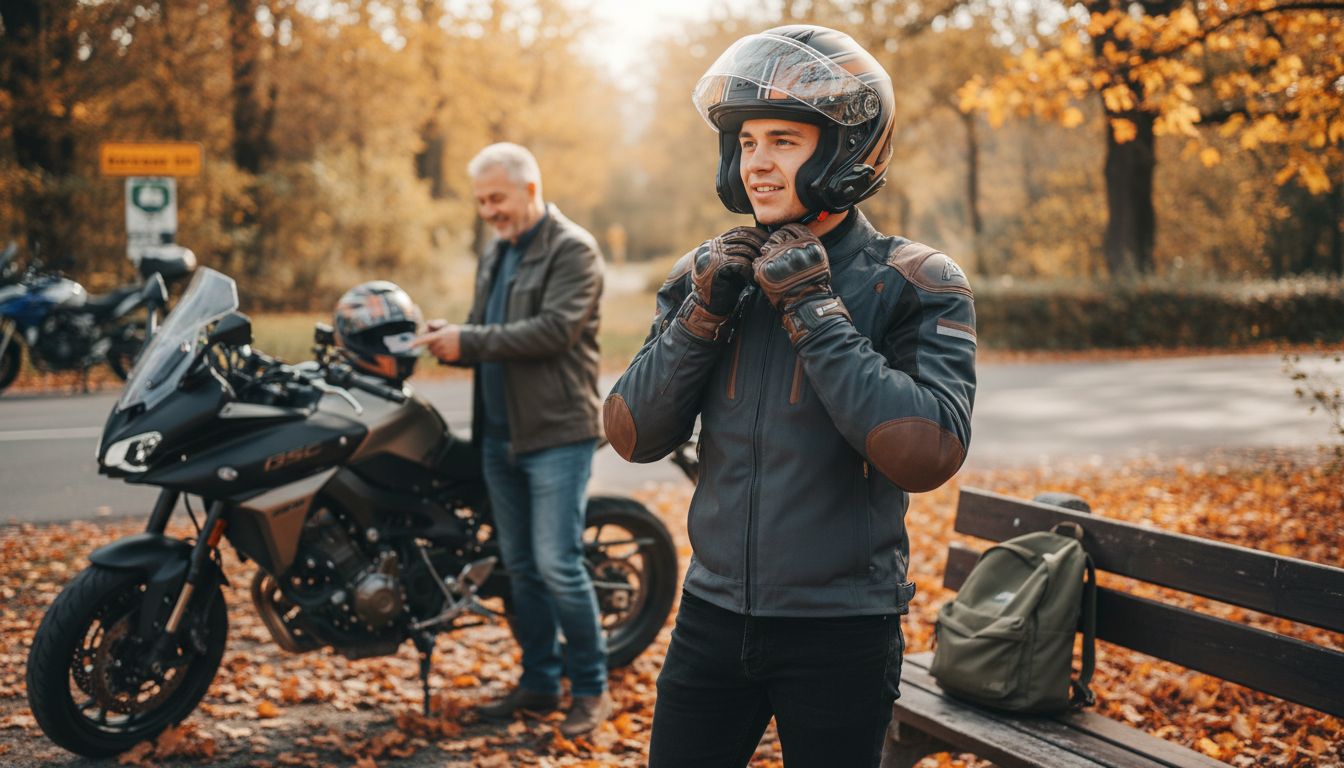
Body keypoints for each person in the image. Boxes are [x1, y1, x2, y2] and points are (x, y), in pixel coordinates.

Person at [603, 25, 977, 767]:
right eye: (746, 143)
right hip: (709, 619)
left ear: (843, 152)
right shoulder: (707, 276)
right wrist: (700, 315)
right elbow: (631, 432)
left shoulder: (918, 280)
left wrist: (815, 310)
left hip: (841, 630)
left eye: (783, 140)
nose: (758, 164)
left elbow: (928, 452)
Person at [413, 142, 611, 737]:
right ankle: (540, 684)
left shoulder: (574, 250)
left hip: (557, 434)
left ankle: (592, 689)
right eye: (480, 201)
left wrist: (469, 341)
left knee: (557, 564)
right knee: (521, 568)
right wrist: (447, 337)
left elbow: (553, 331)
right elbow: (487, 327)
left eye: (496, 198)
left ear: (529, 189)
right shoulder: (496, 253)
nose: (489, 211)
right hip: (498, 437)